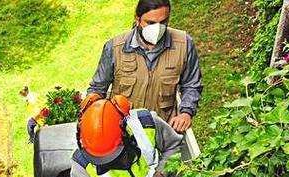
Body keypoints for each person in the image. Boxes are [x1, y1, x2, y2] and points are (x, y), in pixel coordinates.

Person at [87, 0, 203, 133]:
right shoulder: (115, 47)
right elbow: (97, 88)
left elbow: (191, 84)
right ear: (137, 19)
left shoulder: (184, 44)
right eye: (151, 23)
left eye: (163, 22)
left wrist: (186, 113)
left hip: (162, 130)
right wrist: (94, 118)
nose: (158, 28)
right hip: (121, 131)